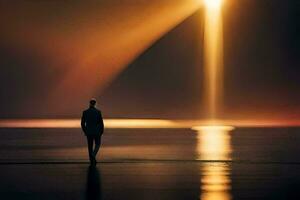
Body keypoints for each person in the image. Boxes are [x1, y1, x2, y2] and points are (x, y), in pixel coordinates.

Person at [81, 98, 104, 165]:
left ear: (90, 103)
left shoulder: (85, 112)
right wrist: (102, 130)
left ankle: (91, 159)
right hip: (97, 131)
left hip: (89, 132)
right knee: (98, 144)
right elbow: (101, 122)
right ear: (95, 104)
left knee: (90, 146)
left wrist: (85, 131)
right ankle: (93, 155)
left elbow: (82, 123)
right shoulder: (98, 112)